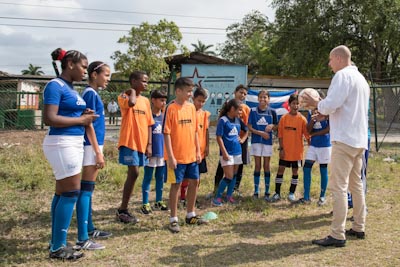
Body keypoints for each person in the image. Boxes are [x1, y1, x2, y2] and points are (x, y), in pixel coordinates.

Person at [305, 45, 369, 247]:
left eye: (331, 60)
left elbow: (331, 104)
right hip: (358, 140)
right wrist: (325, 111)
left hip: (344, 139)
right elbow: (344, 106)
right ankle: (359, 226)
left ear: (339, 59)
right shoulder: (361, 79)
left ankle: (337, 234)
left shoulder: (342, 76)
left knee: (339, 187)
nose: (329, 64)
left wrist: (317, 103)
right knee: (356, 185)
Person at [43, 48, 99, 260]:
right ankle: (58, 247)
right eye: (83, 67)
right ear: (70, 64)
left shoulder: (70, 88)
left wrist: (81, 114)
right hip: (61, 143)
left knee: (62, 192)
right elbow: (50, 118)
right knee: (71, 192)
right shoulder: (55, 85)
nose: (86, 71)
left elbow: (68, 112)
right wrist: (80, 120)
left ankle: (56, 242)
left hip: (71, 142)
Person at [164, 77, 207, 233]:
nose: (190, 94)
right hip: (177, 157)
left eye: (191, 91)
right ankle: (173, 219)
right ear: (178, 91)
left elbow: (195, 131)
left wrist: (197, 150)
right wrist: (171, 156)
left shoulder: (191, 108)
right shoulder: (171, 108)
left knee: (195, 181)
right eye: (188, 91)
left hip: (191, 156)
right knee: (176, 185)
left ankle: (190, 214)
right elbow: (166, 133)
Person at [76, 61, 111, 251]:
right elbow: (88, 124)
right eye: (106, 75)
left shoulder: (93, 93)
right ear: (94, 74)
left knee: (89, 189)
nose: (108, 79)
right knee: (86, 189)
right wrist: (98, 151)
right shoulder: (89, 93)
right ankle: (82, 236)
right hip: (91, 145)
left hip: (95, 145)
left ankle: (89, 228)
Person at [116, 71, 154, 223]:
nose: (146, 84)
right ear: (133, 81)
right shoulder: (124, 96)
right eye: (143, 81)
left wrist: (149, 144)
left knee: (135, 174)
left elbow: (150, 123)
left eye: (147, 81)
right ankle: (122, 210)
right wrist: (132, 91)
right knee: (134, 172)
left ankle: (123, 209)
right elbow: (131, 103)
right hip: (129, 141)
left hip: (141, 143)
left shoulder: (145, 101)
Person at [270, 94, 309, 203]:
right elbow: (280, 135)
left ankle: (291, 193)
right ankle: (277, 193)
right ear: (289, 105)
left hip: (297, 152)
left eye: (297, 104)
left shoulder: (302, 119)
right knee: (280, 170)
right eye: (293, 104)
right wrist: (281, 149)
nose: (295, 106)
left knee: (295, 172)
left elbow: (307, 135)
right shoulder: (284, 118)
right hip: (285, 151)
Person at [212, 85, 249, 197]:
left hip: (238, 147)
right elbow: (219, 135)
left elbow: (247, 128)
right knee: (226, 171)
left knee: (236, 171)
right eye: (240, 92)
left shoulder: (243, 113)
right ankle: (217, 192)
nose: (242, 95)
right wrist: (224, 151)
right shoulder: (225, 115)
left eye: (245, 94)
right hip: (227, 147)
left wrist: (242, 139)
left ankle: (231, 193)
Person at [180, 87, 210, 207]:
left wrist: (207, 146)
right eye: (199, 100)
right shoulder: (187, 111)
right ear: (193, 99)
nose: (201, 103)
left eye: (203, 101)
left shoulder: (204, 114)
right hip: (189, 151)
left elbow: (206, 130)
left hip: (201, 151)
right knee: (187, 177)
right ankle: (182, 197)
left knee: (197, 176)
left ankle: (193, 197)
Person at [140, 89, 168, 215]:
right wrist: (148, 147)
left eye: (165, 100)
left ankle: (158, 200)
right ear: (153, 100)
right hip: (151, 152)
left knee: (160, 177)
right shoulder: (148, 116)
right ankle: (145, 203)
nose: (163, 103)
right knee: (148, 177)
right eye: (161, 100)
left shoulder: (164, 117)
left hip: (162, 152)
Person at [247, 90, 278, 200]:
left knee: (266, 166)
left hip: (267, 142)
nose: (262, 99)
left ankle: (267, 191)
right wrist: (260, 133)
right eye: (261, 97)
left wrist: (272, 126)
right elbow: (249, 127)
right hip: (256, 141)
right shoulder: (253, 111)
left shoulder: (272, 111)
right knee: (257, 165)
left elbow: (276, 125)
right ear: (258, 98)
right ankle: (256, 191)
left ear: (268, 99)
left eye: (265, 97)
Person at [297, 108, 331, 206]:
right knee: (306, 168)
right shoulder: (310, 112)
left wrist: (315, 134)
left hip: (324, 145)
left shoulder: (327, 111)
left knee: (323, 169)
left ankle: (322, 197)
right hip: (313, 145)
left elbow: (328, 129)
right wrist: (312, 120)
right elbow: (308, 129)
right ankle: (306, 197)